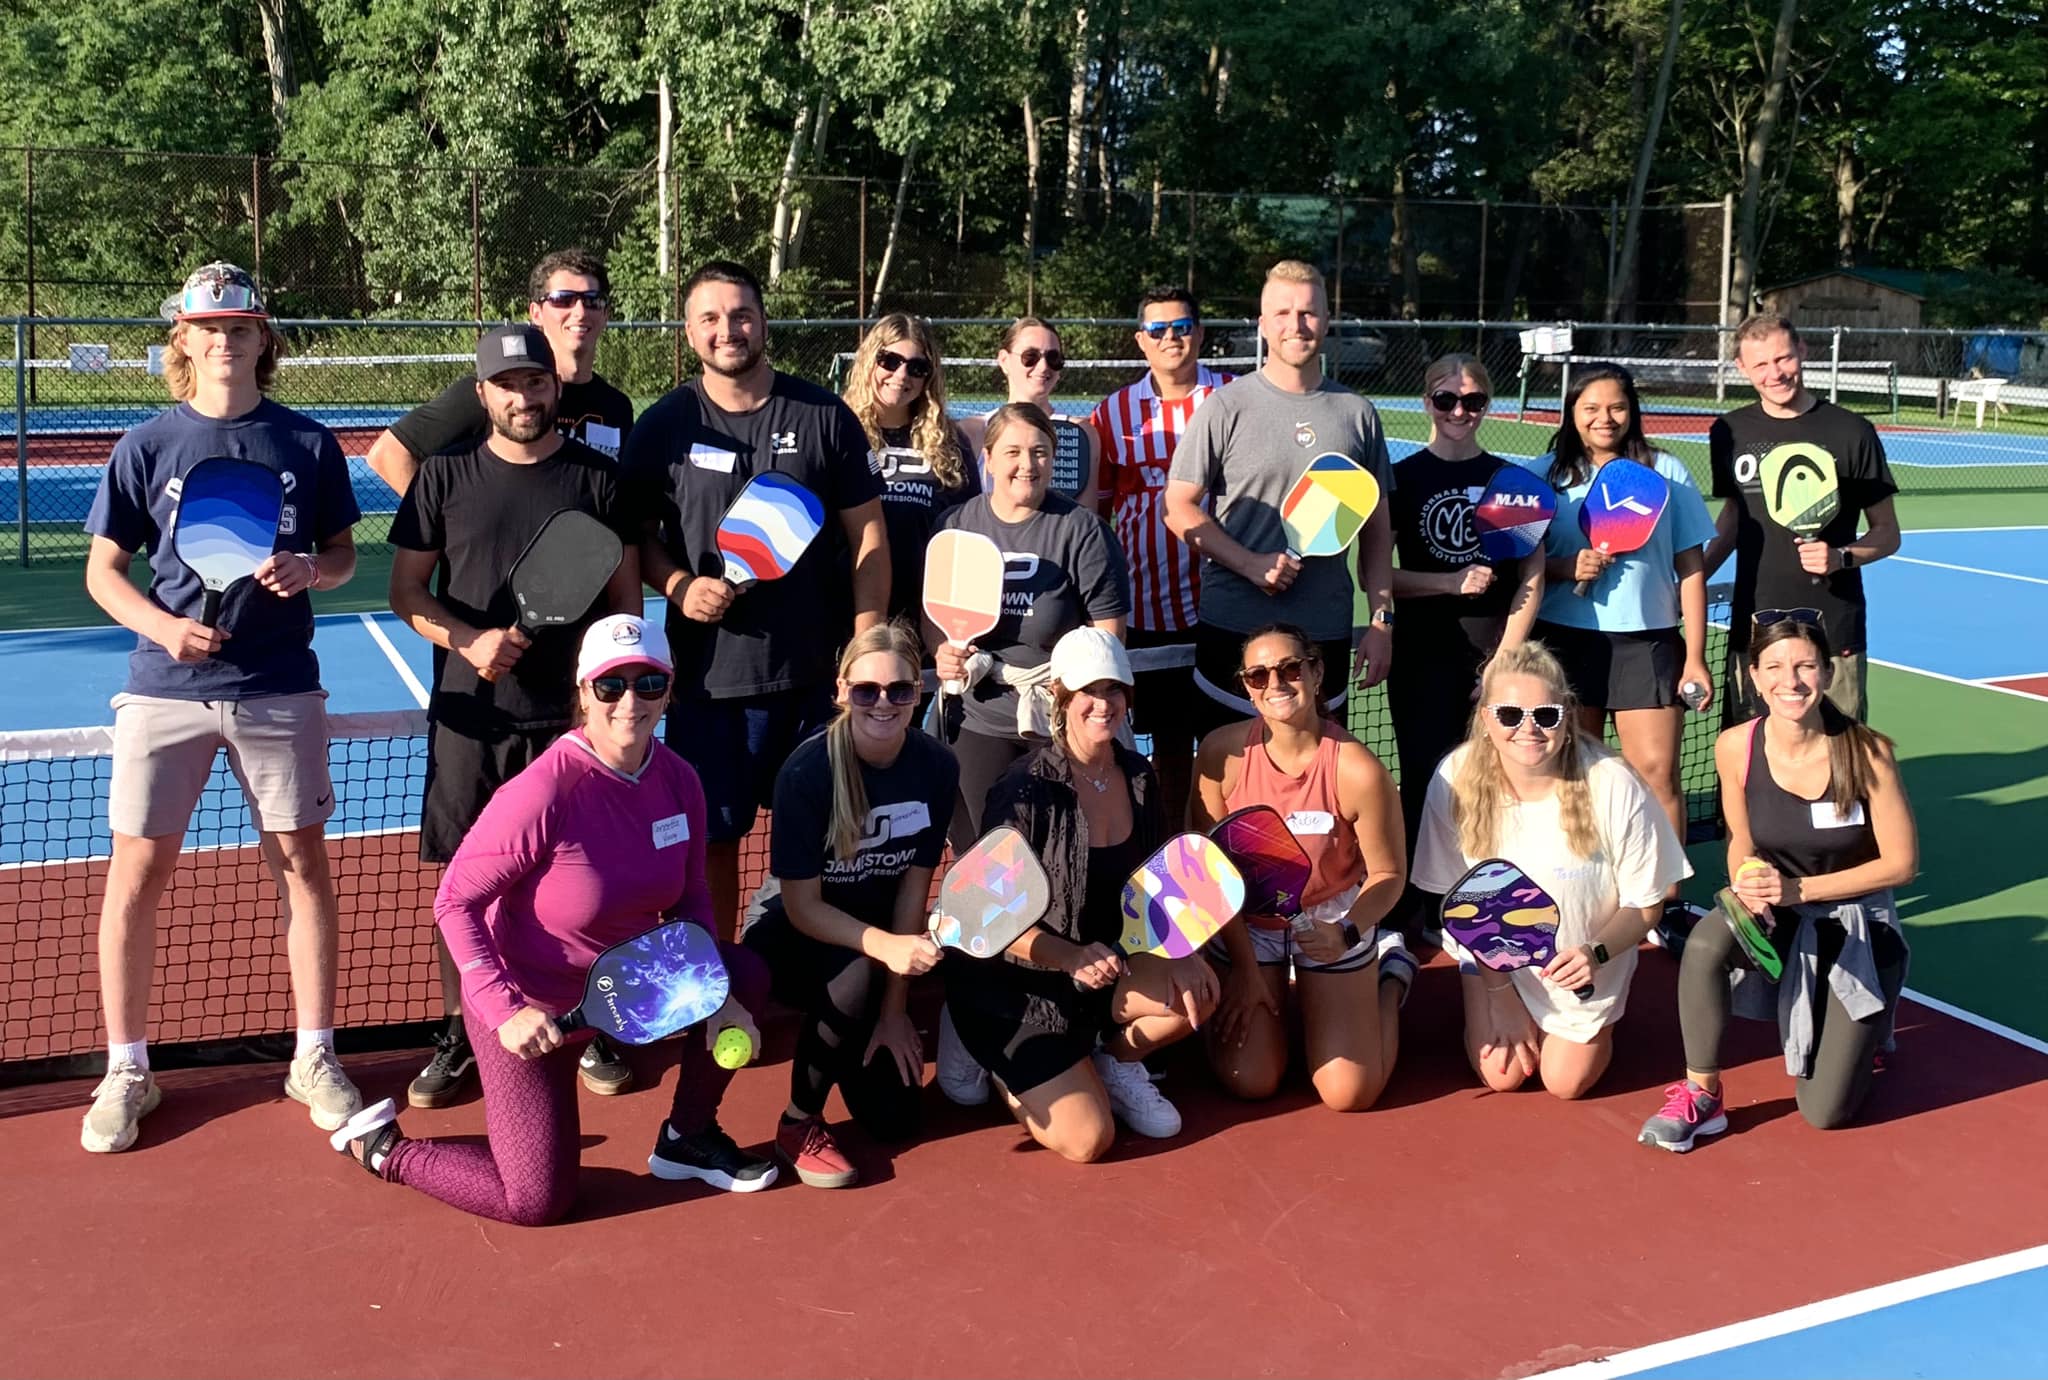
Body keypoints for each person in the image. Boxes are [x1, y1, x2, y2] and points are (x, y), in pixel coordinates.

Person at [329, 616, 778, 1221]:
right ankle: (385, 1148)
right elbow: (454, 903)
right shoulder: (544, 791)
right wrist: (504, 1011)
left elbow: (691, 897)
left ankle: (688, 1137)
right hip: (533, 1004)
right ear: (583, 691)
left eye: (648, 683)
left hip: (630, 986)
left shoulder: (679, 781)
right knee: (535, 1202)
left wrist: (712, 995)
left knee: (741, 973)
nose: (630, 701)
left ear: (669, 690)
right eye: (610, 685)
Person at [79, 262, 363, 1152]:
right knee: (134, 879)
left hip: (279, 688)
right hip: (165, 691)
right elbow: (103, 573)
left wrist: (313, 570)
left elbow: (344, 556)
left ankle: (313, 1055)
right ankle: (127, 1069)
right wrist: (165, 629)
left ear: (261, 339)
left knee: (302, 870)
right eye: (210, 328)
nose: (225, 341)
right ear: (186, 340)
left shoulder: (308, 445)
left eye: (241, 328)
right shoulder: (147, 445)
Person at [388, 323, 643, 1108]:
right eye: (508, 384)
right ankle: (463, 1035)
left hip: (573, 729)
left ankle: (595, 1024)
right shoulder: (444, 476)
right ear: (482, 394)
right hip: (474, 721)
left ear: (554, 389)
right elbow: (407, 592)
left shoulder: (599, 481)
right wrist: (466, 639)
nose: (523, 396)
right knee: (466, 883)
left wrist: (605, 700)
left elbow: (625, 605)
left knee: (592, 881)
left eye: (536, 382)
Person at [622, 260, 891, 937]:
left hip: (814, 680)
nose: (728, 330)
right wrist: (679, 586)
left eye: (741, 314)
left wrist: (863, 648)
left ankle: (806, 962)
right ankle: (718, 969)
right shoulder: (663, 426)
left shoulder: (825, 416)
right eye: (709, 318)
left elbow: (869, 541)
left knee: (828, 837)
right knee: (714, 841)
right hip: (712, 685)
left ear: (763, 319)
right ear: (689, 333)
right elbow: (637, 540)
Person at [1638, 615, 1916, 1151]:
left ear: (1829, 673)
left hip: (1856, 925)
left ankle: (1875, 1025)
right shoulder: (1734, 746)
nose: (1791, 681)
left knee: (1825, 1113)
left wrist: (1801, 892)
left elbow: (1901, 864)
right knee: (1704, 943)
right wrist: (1747, 875)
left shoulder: (1868, 752)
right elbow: (1741, 838)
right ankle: (1702, 1094)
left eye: (1806, 666)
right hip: (1780, 910)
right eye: (1776, 668)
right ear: (1754, 677)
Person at [943, 628, 1218, 1158]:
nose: (1102, 703)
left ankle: (1113, 1061)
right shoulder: (1021, 790)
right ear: (1060, 698)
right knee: (1090, 1139)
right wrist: (1067, 955)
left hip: (1101, 972)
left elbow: (1159, 878)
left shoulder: (1140, 776)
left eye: (1114, 689)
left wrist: (1183, 950)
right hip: (1015, 987)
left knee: (1198, 992)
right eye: (1088, 690)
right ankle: (996, 1058)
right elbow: (979, 916)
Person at [1411, 641, 1691, 1098]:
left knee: (1565, 1083)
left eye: (1545, 715)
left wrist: (1594, 953)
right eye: (1508, 715)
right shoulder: (1454, 777)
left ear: (1566, 715)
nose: (1529, 729)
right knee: (1503, 1079)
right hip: (1492, 955)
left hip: (1586, 962)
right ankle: (1474, 990)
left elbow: (1647, 904)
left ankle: (1592, 1021)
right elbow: (1456, 901)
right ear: (1485, 719)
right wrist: (1500, 993)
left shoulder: (1613, 782)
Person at [741, 621, 958, 1187]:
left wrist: (895, 1014)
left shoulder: (937, 766)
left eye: (900, 690)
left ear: (920, 690)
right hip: (789, 938)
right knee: (860, 969)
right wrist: (886, 949)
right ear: (842, 691)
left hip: (871, 944)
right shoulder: (806, 773)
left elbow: (915, 887)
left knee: (896, 1120)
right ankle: (798, 1122)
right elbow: (802, 907)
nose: (882, 703)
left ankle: (862, 1030)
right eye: (866, 691)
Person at [1164, 259, 1396, 742]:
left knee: (1321, 789)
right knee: (1224, 782)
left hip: (1324, 632)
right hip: (1234, 627)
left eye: (1309, 313)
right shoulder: (1225, 407)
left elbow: (1376, 533)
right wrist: (1249, 563)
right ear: (1263, 324)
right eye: (1284, 313)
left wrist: (1381, 621)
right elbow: (1178, 507)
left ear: (1327, 320)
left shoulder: (1358, 414)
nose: (1297, 325)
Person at [1190, 624, 1412, 1111]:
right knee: (1251, 1080)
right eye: (1258, 675)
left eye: (1290, 668)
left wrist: (1348, 931)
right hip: (1248, 920)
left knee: (1349, 1094)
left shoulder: (1357, 769)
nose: (1276, 683)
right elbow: (1204, 873)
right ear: (1245, 687)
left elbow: (1389, 876)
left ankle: (1391, 976)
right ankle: (1277, 996)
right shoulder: (1219, 754)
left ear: (1315, 674)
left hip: (1330, 918)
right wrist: (1245, 969)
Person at [1532, 363, 1715, 895]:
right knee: (1577, 775)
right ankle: (1587, 885)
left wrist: (1696, 655)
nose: (1603, 418)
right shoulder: (1543, 475)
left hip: (1649, 641)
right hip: (1566, 640)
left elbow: (1691, 569)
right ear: (1571, 413)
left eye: (1616, 407)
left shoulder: (1669, 472)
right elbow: (1516, 567)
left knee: (1656, 773)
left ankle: (1665, 899)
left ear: (1632, 411)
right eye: (1590, 408)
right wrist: (1568, 568)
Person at [928, 402, 1129, 853]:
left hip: (1059, 721)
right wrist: (943, 652)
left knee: (1061, 849)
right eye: (1014, 451)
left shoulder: (1083, 531)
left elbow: (1108, 631)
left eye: (1040, 452)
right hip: (977, 717)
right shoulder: (957, 525)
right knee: (984, 854)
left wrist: (1079, 700)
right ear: (990, 458)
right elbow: (935, 619)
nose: (1027, 464)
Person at [1386, 355, 1543, 886]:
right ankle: (1421, 899)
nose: (1459, 410)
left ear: (1486, 406)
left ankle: (1492, 893)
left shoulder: (1510, 481)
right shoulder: (1401, 479)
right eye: (1446, 398)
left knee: (1497, 780)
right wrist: (1447, 583)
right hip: (1421, 655)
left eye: (1472, 400)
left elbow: (1531, 578)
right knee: (1427, 778)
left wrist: (1502, 662)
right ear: (1426, 402)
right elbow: (1377, 574)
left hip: (1494, 655)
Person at [1703, 314, 1902, 725]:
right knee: (1750, 756)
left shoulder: (1852, 432)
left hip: (1833, 626)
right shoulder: (1728, 431)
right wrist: (1689, 580)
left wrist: (1841, 557)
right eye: (1760, 364)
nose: (1775, 373)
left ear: (1803, 353)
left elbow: (1888, 533)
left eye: (1783, 359)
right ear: (1741, 368)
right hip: (1755, 624)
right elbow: (1734, 518)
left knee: (1839, 758)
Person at [1088, 286, 1233, 826]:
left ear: (1198, 332)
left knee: (1228, 746)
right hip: (1144, 614)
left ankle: (1227, 847)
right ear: (1140, 341)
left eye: (1181, 326)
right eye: (1158, 329)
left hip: (1221, 608)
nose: (1170, 337)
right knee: (1164, 748)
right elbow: (1097, 513)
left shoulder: (1234, 397)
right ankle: (1167, 845)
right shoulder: (1114, 413)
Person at [366, 247, 634, 495]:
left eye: (592, 300)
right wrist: (440, 528)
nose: (579, 312)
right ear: (536, 312)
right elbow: (389, 454)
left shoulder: (616, 407)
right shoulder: (494, 394)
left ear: (606, 313)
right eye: (562, 300)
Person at [841, 312, 978, 622]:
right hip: (847, 608)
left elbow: (969, 535)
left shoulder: (950, 442)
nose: (902, 375)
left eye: (917, 367)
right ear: (869, 361)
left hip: (925, 614)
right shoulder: (838, 431)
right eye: (889, 361)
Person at [956, 317, 1103, 503]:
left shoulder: (1080, 433)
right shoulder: (972, 431)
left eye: (1053, 358)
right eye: (1030, 357)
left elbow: (1086, 515)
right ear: (1004, 360)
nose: (1043, 367)